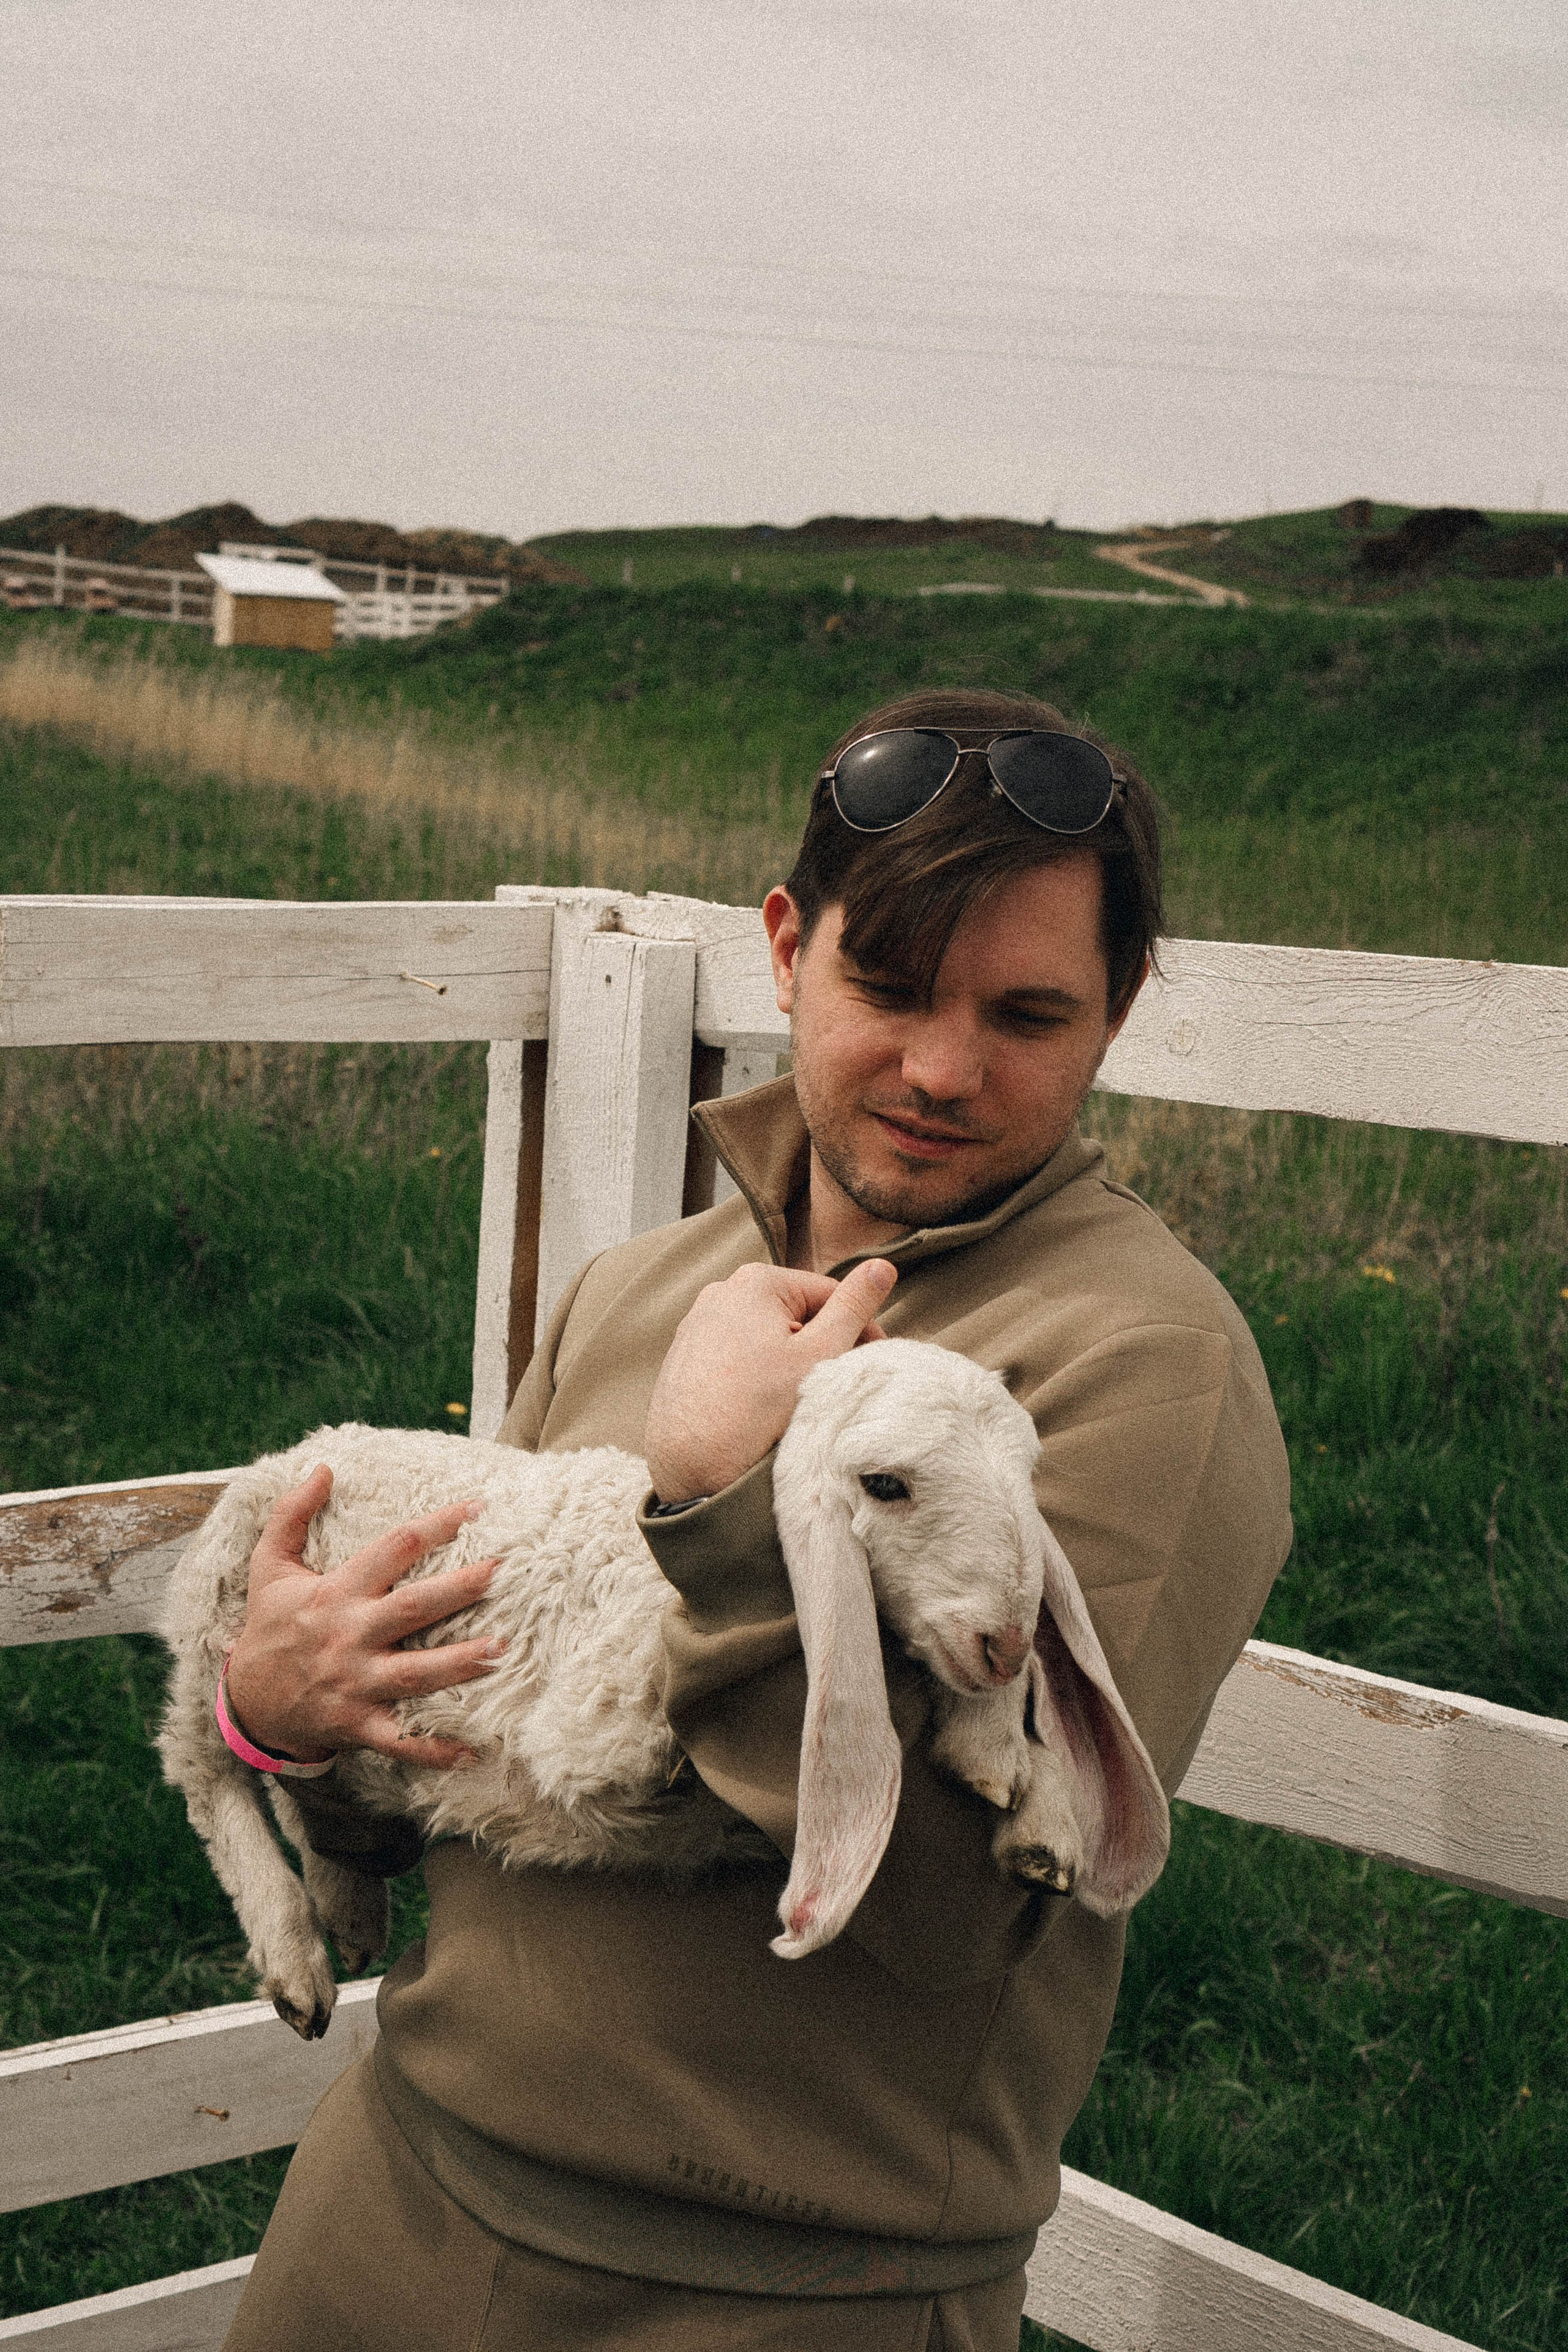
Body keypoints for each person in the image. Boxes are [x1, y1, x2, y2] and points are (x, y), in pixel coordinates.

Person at [220, 686, 1292, 2352]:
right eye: (890, 985)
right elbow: (456, 1768)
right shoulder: (638, 1292)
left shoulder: (1140, 1363)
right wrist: (288, 1723)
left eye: (1027, 1012)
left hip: (775, 2294)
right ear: (788, 947)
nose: (943, 1069)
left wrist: (723, 1499)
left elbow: (957, 1906)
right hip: (392, 2192)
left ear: (1120, 1006)